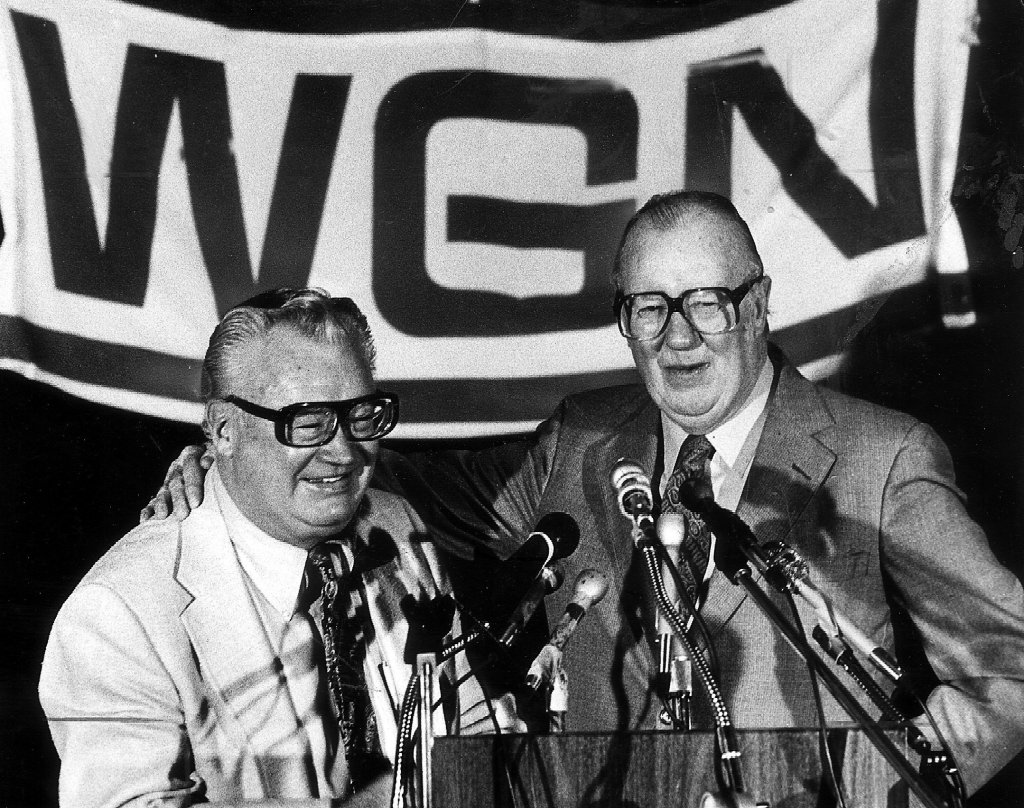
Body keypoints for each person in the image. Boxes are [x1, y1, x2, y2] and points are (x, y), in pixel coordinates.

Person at [144, 192, 1024, 797]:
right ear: (623, 322)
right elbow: (402, 488)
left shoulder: (883, 456)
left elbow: (1006, 670)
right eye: (649, 307)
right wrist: (237, 462)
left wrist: (885, 789)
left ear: (759, 305)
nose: (678, 337)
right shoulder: (580, 436)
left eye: (708, 303)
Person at [41, 290, 517, 808]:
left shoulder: (397, 526)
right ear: (223, 432)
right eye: (308, 423)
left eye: (361, 416)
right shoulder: (118, 614)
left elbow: (470, 733)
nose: (343, 452)